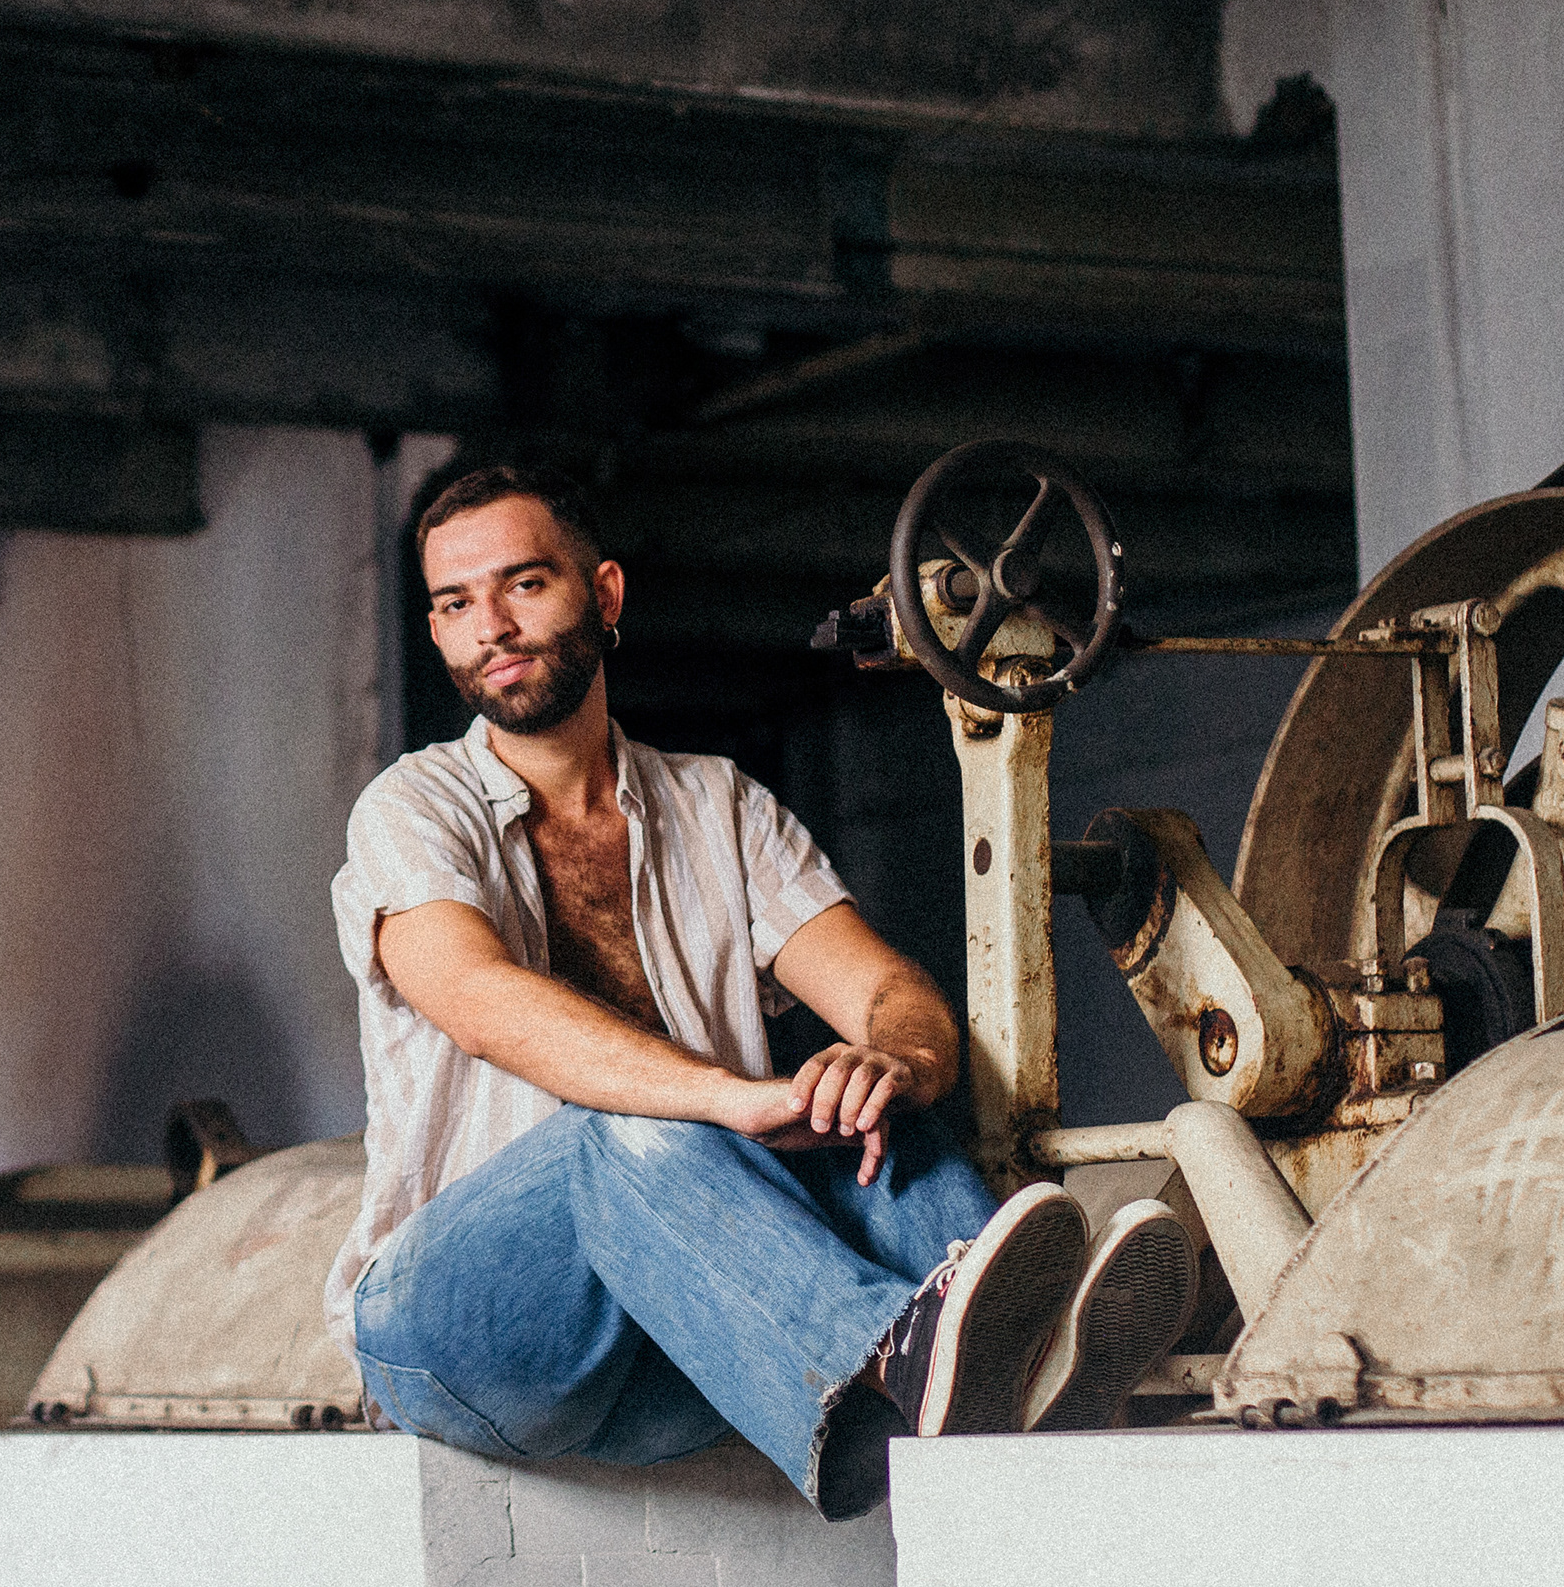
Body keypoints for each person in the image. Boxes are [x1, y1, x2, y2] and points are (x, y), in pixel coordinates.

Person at [330, 461, 1197, 1519]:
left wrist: (890, 1061)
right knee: (627, 1131)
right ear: (437, 632)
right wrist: (732, 1099)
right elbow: (478, 999)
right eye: (456, 604)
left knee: (871, 1114)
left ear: (604, 594)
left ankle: (1026, 1354)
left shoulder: (718, 806)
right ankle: (904, 1348)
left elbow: (891, 992)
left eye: (524, 584)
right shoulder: (411, 808)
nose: (492, 628)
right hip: (455, 1336)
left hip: (674, 1344)